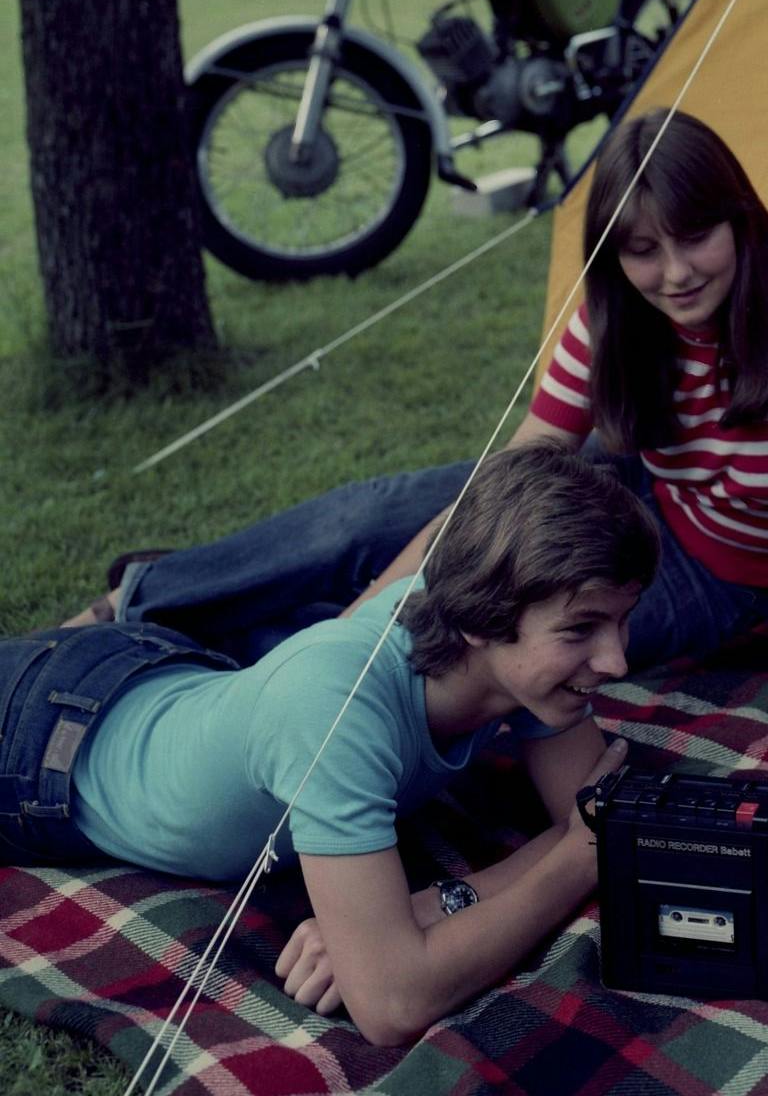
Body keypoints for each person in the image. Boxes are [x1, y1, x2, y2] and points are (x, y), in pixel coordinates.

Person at [68, 109, 768, 744]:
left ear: (738, 218)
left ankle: (181, 669)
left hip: (718, 571)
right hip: (621, 495)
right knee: (371, 522)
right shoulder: (617, 311)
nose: (672, 271)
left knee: (458, 648)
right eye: (640, 248)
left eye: (693, 236)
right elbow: (514, 473)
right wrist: (393, 590)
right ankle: (139, 600)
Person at [3, 445, 657, 1046]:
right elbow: (393, 1004)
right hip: (37, 750)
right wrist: (573, 862)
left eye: (621, 622)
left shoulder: (523, 667)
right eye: (581, 630)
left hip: (151, 668)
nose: (616, 660)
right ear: (481, 620)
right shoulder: (337, 709)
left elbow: (599, 818)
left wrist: (434, 905)